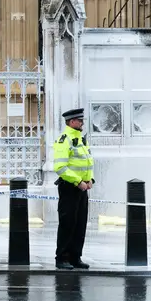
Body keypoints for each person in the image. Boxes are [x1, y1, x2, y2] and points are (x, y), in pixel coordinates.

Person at [53, 108, 95, 270]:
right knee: (67, 223)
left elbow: (87, 162)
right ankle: (62, 258)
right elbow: (60, 166)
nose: (82, 123)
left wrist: (89, 179)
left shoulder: (81, 140)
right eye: (79, 120)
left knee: (80, 224)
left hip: (82, 187)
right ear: (71, 122)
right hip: (69, 187)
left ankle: (75, 257)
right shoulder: (65, 140)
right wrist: (78, 181)